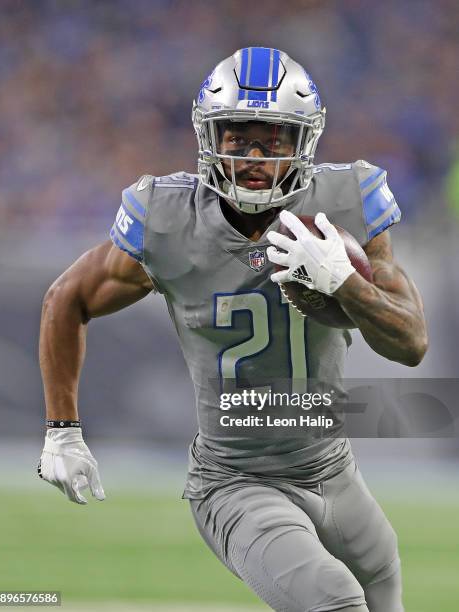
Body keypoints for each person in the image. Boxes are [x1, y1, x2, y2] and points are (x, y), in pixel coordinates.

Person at [38, 47, 428, 612]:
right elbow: (65, 298)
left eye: (273, 139)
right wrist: (62, 430)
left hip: (334, 469)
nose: (252, 157)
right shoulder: (168, 219)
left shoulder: (345, 203)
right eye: (235, 136)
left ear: (304, 144)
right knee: (335, 599)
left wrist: (345, 282)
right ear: (208, 138)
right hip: (236, 479)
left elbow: (412, 342)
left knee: (383, 592)